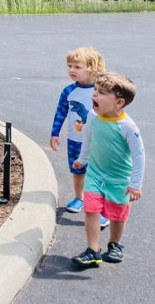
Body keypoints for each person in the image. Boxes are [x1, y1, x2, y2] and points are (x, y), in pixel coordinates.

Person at [71, 72, 145, 267]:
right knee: (90, 210)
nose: (94, 95)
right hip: (95, 174)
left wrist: (135, 184)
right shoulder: (92, 116)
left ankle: (115, 244)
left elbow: (139, 156)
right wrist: (81, 160)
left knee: (117, 215)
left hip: (119, 179)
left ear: (119, 103)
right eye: (95, 90)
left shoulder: (128, 126)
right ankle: (93, 250)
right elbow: (88, 139)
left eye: (101, 93)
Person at [50, 47, 109, 228]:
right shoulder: (68, 91)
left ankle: (103, 210)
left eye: (77, 66)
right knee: (77, 171)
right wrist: (55, 133)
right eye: (69, 66)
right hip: (75, 140)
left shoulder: (102, 91)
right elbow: (61, 112)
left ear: (92, 68)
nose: (71, 70)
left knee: (99, 175)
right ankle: (79, 198)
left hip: (98, 141)